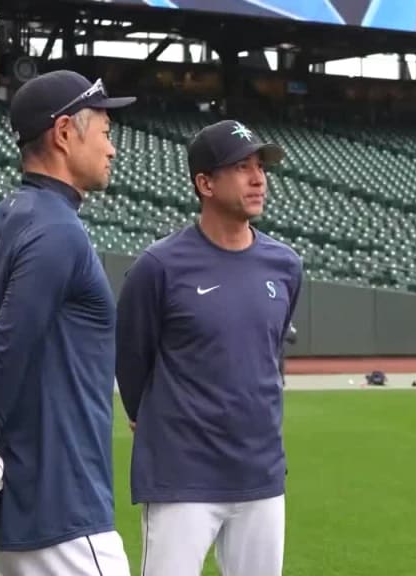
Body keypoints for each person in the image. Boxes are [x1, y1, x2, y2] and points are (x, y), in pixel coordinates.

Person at [0, 70, 135, 576]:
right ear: (63, 134)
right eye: (104, 131)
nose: (112, 148)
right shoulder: (59, 232)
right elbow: (2, 356)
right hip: (63, 515)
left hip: (12, 514)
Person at [115, 119, 303, 576]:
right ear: (205, 183)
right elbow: (131, 362)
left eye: (260, 166)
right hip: (183, 478)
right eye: (242, 167)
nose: (259, 178)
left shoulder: (285, 264)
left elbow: (268, 354)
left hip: (260, 475)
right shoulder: (158, 267)